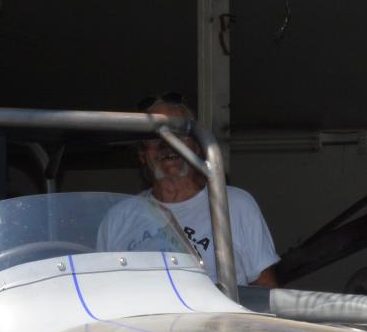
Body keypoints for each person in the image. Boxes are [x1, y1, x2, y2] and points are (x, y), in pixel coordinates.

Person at [97, 94, 280, 287]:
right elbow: (103, 290)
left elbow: (265, 289)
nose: (166, 144)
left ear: (197, 146)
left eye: (177, 133)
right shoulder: (118, 217)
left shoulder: (234, 204)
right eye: (154, 136)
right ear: (142, 154)